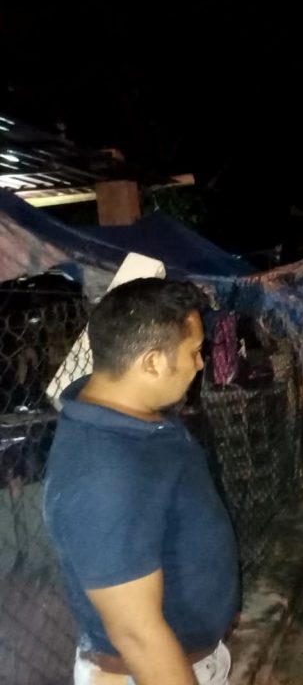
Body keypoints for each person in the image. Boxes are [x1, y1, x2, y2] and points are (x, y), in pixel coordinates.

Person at [43, 278, 239, 685]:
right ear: (151, 362)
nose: (200, 363)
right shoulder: (104, 474)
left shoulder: (134, 417)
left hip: (191, 657)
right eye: (194, 351)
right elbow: (137, 634)